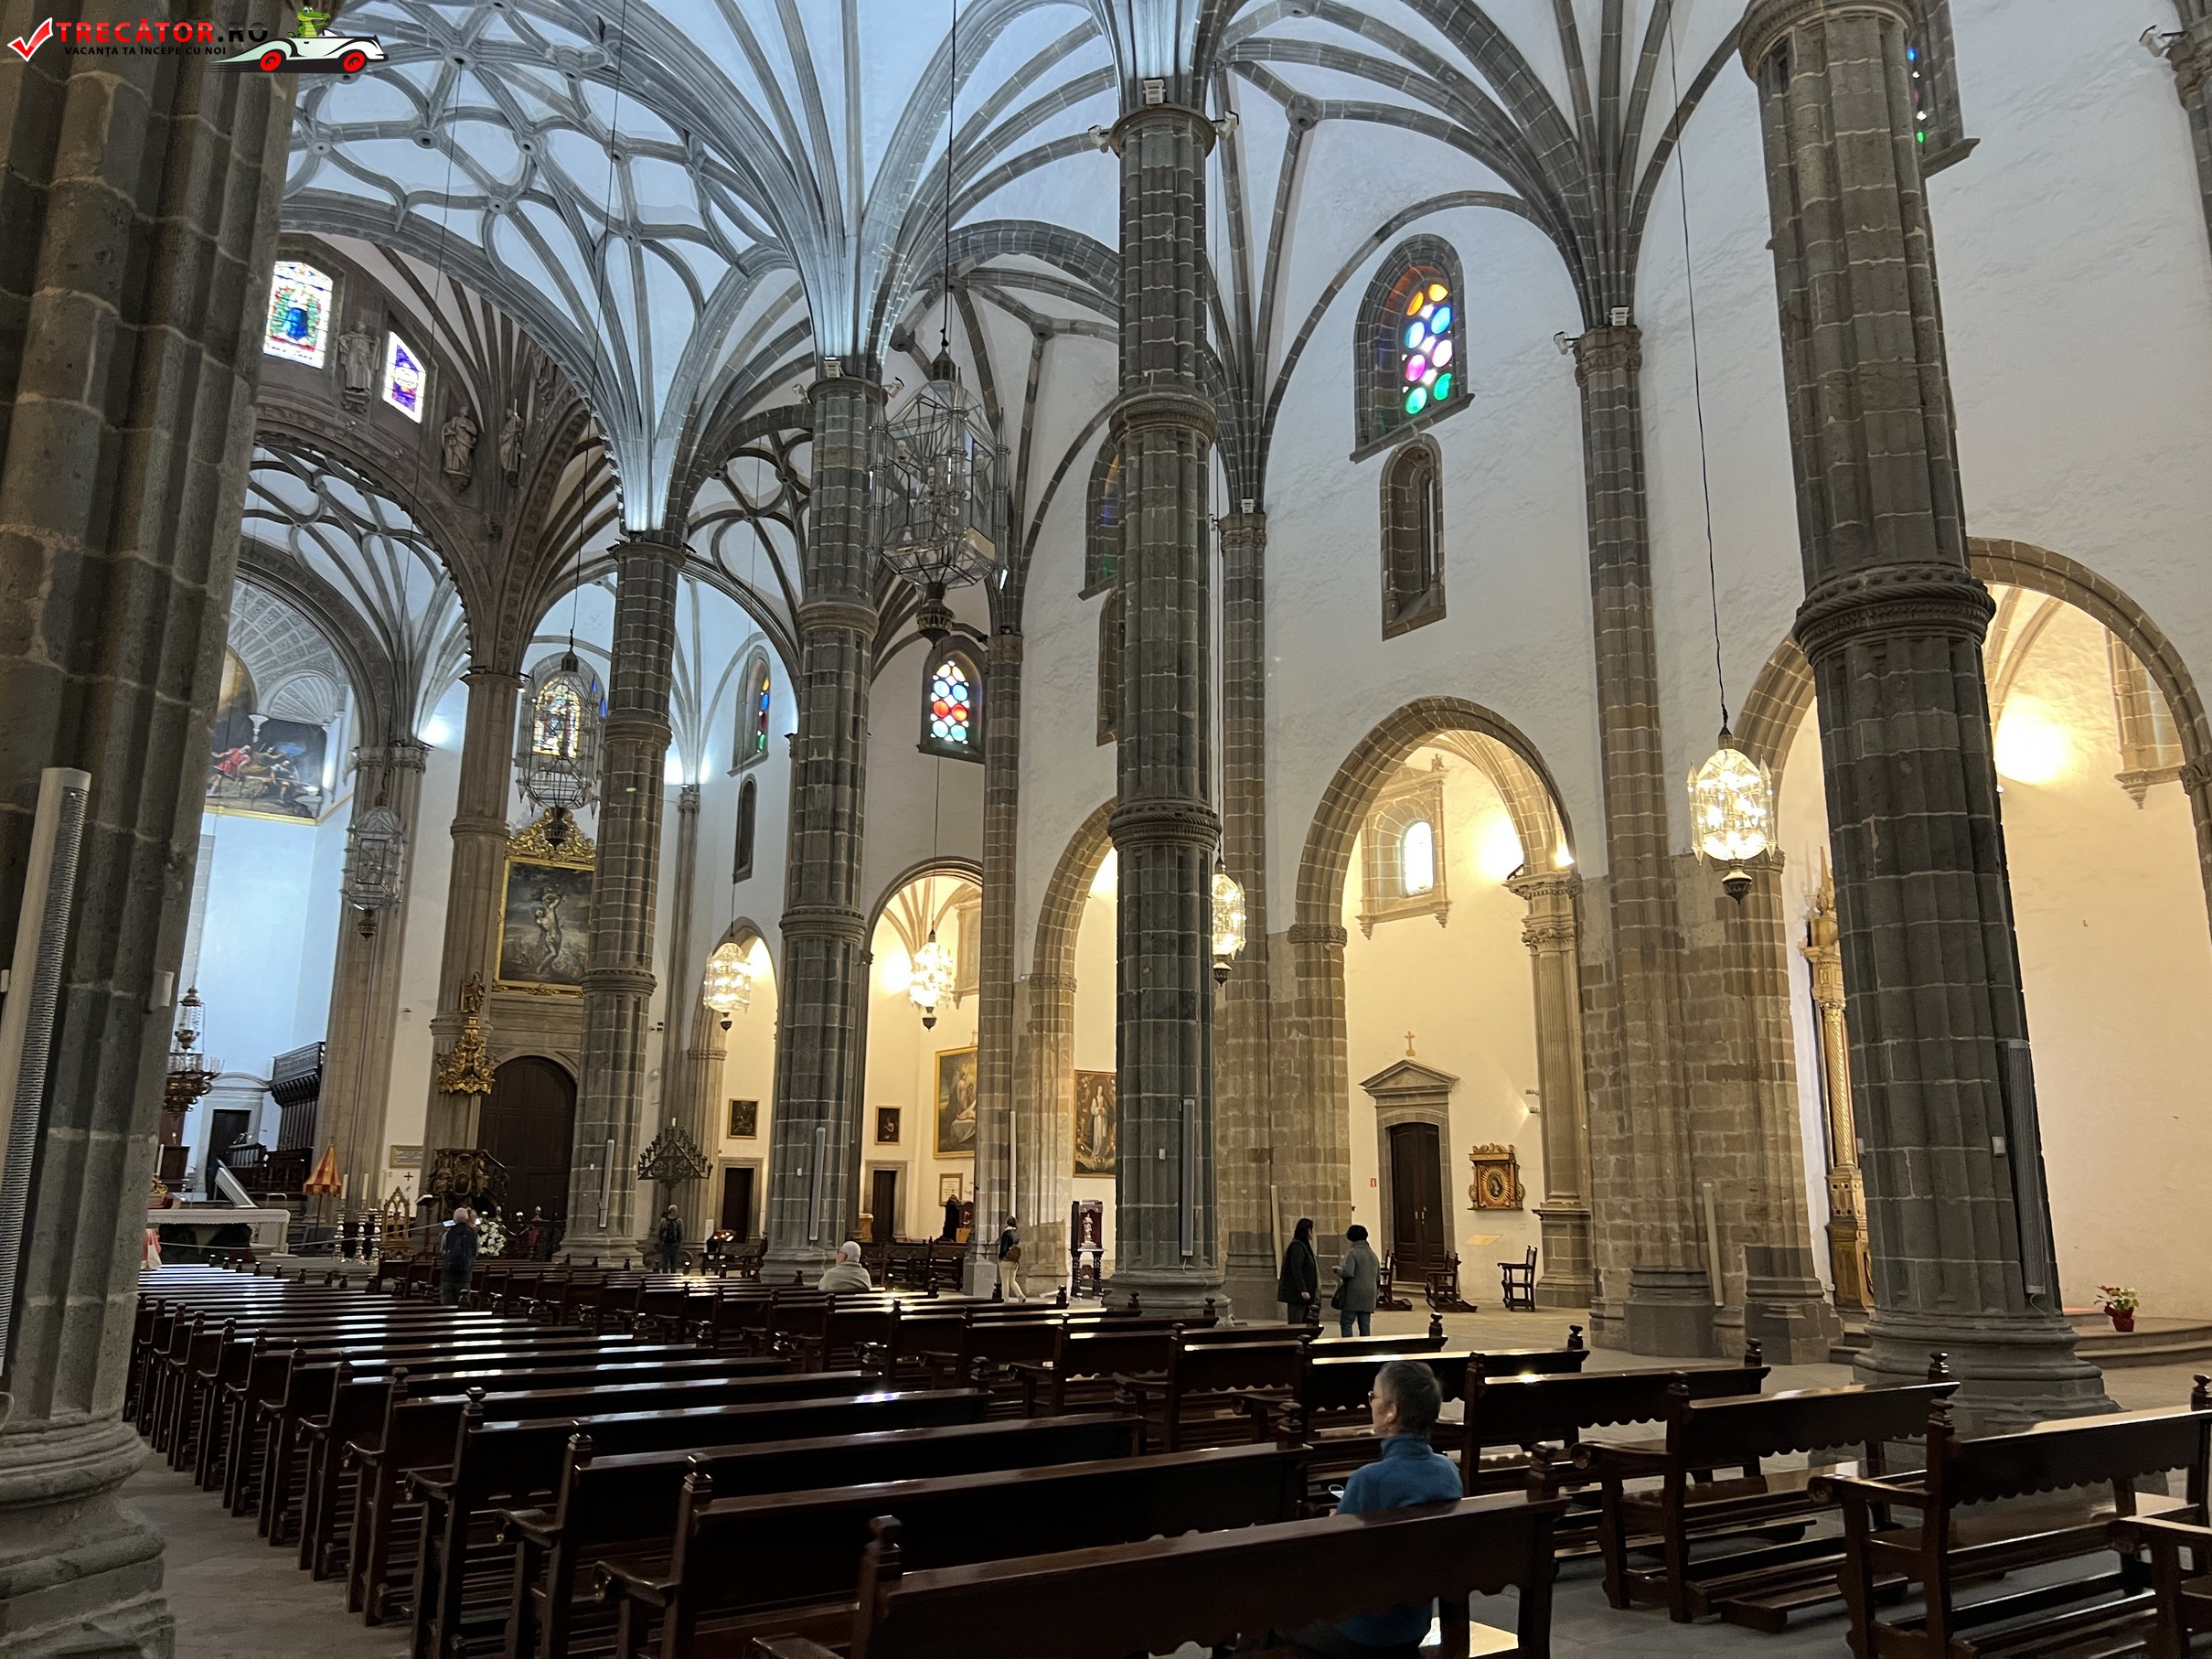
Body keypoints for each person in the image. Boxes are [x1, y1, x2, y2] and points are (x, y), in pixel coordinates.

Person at [1277, 1360, 1462, 1656]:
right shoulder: (1448, 1471)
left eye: (1373, 1397)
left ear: (1390, 1412)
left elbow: (1331, 1557)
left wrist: (1335, 1521)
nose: (1370, 1403)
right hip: (1414, 1627)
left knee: (1267, 1614)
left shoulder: (1369, 1480)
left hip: (1361, 1632)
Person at [1333, 1223, 1380, 1337]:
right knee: (1364, 1324)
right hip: (1369, 1294)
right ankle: (1365, 1346)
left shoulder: (1352, 1252)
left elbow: (1348, 1272)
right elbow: (1378, 1277)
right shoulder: (1373, 1254)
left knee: (1346, 1322)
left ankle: (1349, 1345)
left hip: (1354, 1294)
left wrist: (1338, 1270)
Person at [1277, 1216, 1319, 1324]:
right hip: (1297, 1295)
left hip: (1304, 1295)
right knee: (1296, 1322)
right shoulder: (1297, 1246)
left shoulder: (1303, 1246)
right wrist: (1303, 1290)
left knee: (1304, 1322)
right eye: (1311, 1229)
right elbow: (1296, 1269)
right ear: (1307, 1230)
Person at [439, 1206, 478, 1306]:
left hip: (448, 1276)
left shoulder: (447, 1234)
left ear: (454, 1219)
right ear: (467, 1219)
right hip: (465, 1276)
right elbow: (475, 1254)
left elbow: (443, 1252)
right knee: (463, 1306)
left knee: (447, 1306)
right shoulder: (474, 1234)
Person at [995, 1215, 1026, 1302]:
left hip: (1006, 1260)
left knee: (1005, 1282)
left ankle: (1005, 1300)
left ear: (1007, 1223)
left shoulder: (1006, 1233)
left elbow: (1003, 1248)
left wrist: (1000, 1258)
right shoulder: (1016, 1234)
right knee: (1012, 1281)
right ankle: (1020, 1296)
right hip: (1014, 1260)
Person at [654, 1204, 683, 1273]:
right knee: (665, 1262)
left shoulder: (679, 1221)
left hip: (674, 1244)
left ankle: (673, 1275)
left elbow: (681, 1233)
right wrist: (660, 1242)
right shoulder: (664, 1221)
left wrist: (679, 1243)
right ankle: (665, 1275)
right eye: (675, 1211)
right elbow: (659, 1232)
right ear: (672, 1211)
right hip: (666, 1244)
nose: (676, 1212)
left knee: (674, 1263)